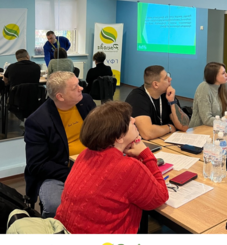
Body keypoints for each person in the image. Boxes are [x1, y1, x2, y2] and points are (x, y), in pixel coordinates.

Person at [54, 101, 169, 234]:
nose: (134, 120)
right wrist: (146, 154)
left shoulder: (85, 154)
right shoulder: (127, 167)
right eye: (129, 120)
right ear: (119, 137)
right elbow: (160, 197)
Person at [24, 71, 96, 218]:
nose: (81, 88)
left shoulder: (85, 101)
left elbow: (101, 129)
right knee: (55, 205)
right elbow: (37, 164)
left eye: (79, 84)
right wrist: (75, 173)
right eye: (75, 87)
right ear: (60, 97)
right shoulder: (38, 121)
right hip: (60, 172)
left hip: (93, 163)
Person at [125, 65, 189, 140]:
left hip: (162, 141)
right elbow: (147, 133)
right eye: (166, 78)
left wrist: (172, 102)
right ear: (155, 84)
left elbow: (184, 127)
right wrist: (169, 127)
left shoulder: (167, 95)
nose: (170, 79)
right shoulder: (137, 97)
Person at [189, 62, 227, 129]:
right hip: (200, 129)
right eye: (223, 73)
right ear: (214, 76)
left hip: (220, 128)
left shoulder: (226, 86)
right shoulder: (204, 87)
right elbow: (207, 119)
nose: (226, 75)